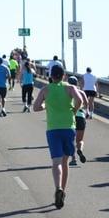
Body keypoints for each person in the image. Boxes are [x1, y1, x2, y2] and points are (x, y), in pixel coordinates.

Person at [33, 65, 83, 209]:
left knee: (56, 162)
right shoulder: (70, 88)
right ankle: (63, 191)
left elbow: (35, 107)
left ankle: (58, 187)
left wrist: (45, 106)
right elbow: (79, 100)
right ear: (63, 76)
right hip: (68, 127)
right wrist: (73, 110)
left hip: (53, 129)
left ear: (51, 76)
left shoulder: (45, 89)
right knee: (65, 161)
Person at [67, 76, 88, 166]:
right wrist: (86, 113)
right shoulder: (81, 92)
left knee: (71, 139)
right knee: (80, 140)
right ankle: (80, 150)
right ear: (76, 83)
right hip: (81, 116)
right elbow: (87, 104)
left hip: (71, 116)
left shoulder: (66, 92)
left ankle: (74, 159)